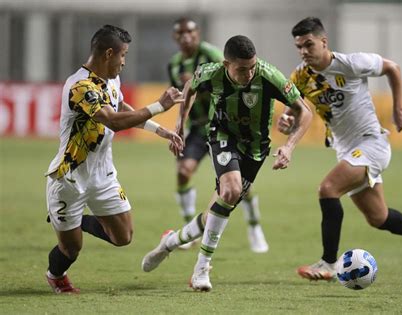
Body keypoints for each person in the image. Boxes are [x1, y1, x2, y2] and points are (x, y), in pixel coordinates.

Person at [278, 17, 402, 282]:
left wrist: (398, 108)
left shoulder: (350, 63)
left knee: (327, 189)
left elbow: (392, 68)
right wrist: (287, 118)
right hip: (347, 150)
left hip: (371, 143)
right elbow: (294, 108)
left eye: (309, 44)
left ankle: (328, 262)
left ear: (323, 42)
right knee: (379, 218)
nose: (304, 51)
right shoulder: (300, 76)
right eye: (299, 47)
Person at [142, 35, 313, 291]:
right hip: (222, 136)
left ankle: (170, 243)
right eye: (242, 69)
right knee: (231, 190)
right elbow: (190, 87)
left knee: (216, 211)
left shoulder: (269, 76)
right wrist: (180, 123)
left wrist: (289, 146)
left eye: (252, 67)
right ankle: (202, 268)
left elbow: (305, 112)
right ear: (226, 64)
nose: (249, 73)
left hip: (255, 149)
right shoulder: (211, 73)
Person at [44, 24, 184, 294]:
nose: (124, 61)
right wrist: (159, 106)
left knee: (123, 236)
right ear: (109, 53)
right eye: (123, 55)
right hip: (70, 178)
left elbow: (120, 108)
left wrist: (160, 130)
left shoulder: (111, 79)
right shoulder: (79, 86)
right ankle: (55, 275)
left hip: (103, 174)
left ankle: (79, 221)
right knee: (71, 249)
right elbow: (112, 121)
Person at [168, 17, 269, 253]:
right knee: (183, 173)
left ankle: (255, 227)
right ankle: (188, 225)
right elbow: (184, 94)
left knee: (238, 185)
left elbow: (228, 88)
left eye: (190, 32)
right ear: (175, 37)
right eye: (181, 33)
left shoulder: (213, 56)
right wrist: (180, 120)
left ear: (198, 33)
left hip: (226, 127)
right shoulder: (174, 64)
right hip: (198, 128)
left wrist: (197, 85)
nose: (186, 37)